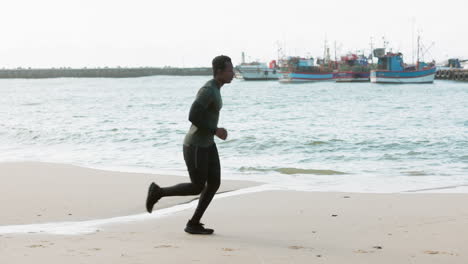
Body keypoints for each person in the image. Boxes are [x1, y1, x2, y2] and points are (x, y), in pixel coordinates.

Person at [145, 55, 234, 235]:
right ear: (219, 72)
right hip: (195, 146)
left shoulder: (217, 88)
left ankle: (193, 223)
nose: (233, 73)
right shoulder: (208, 90)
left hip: (207, 144)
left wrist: (213, 133)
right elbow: (193, 115)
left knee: (214, 182)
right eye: (230, 70)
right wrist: (215, 130)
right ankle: (158, 192)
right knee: (197, 186)